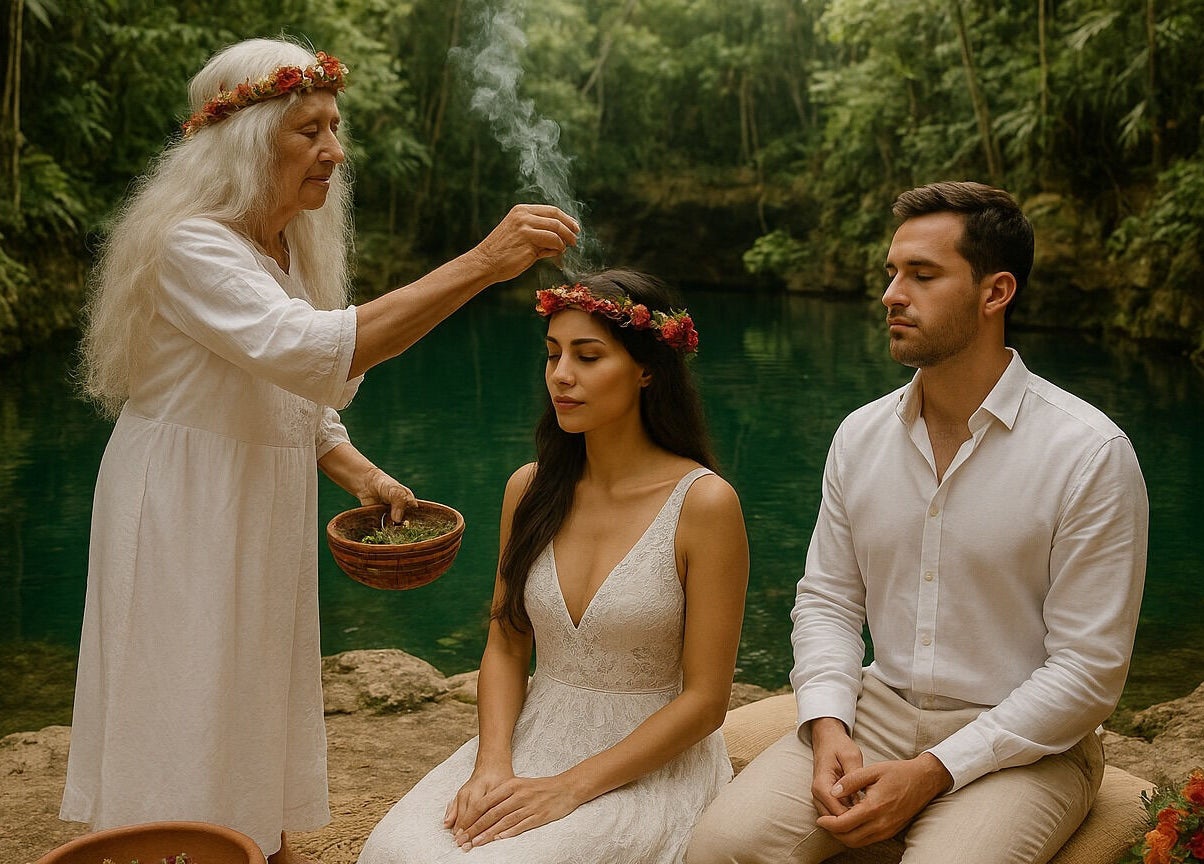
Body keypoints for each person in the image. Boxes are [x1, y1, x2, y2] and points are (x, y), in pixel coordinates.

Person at [60, 37, 578, 863]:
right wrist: (483, 263)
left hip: (254, 494)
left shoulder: (284, 244)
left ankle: (251, 841)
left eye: (334, 127)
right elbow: (307, 350)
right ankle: (158, 842)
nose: (334, 150)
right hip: (184, 500)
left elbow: (290, 387)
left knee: (249, 684)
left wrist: (358, 470)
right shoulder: (192, 243)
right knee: (184, 686)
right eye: (309, 130)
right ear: (246, 138)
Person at [686, 181, 1148, 864]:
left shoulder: (1089, 454)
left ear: (996, 293)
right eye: (892, 272)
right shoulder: (860, 435)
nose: (891, 295)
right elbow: (828, 603)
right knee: (720, 850)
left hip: (1030, 745)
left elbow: (1088, 671)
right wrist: (827, 722)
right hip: (876, 713)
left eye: (922, 275)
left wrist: (934, 769)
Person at [357, 270, 749, 863]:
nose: (561, 375)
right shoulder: (531, 489)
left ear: (647, 370)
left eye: (588, 356)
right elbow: (507, 645)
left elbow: (705, 699)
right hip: (532, 736)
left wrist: (569, 788)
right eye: (553, 354)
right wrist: (492, 765)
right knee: (396, 851)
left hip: (648, 759)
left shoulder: (704, 504)